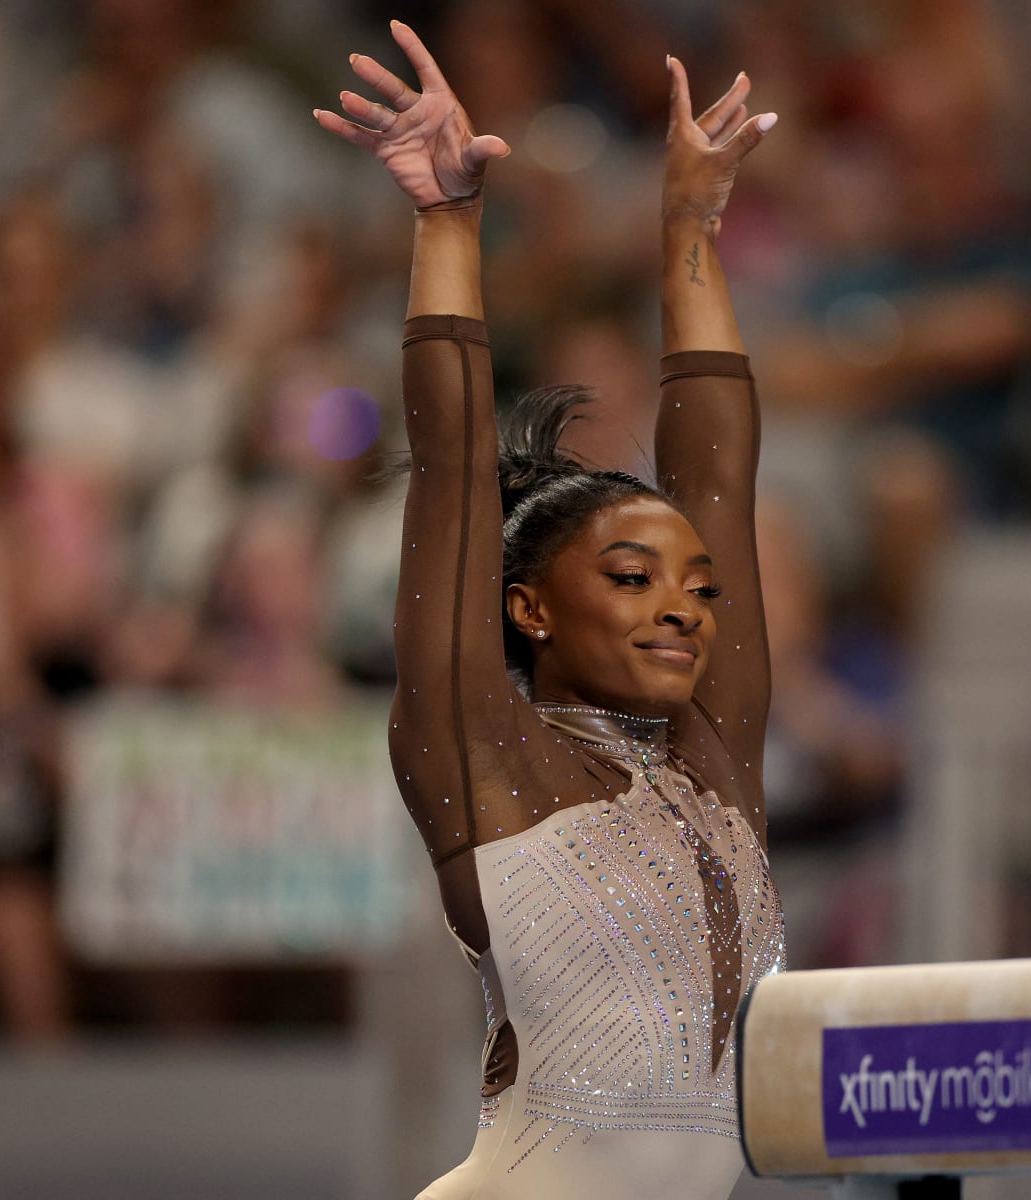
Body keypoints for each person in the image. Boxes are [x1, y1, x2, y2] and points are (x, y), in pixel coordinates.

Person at [313, 24, 784, 1198]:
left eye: (694, 586)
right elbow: (453, 468)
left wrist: (689, 229)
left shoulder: (712, 765)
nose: (680, 608)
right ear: (524, 608)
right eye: (630, 579)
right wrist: (447, 224)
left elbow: (719, 471)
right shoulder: (489, 762)